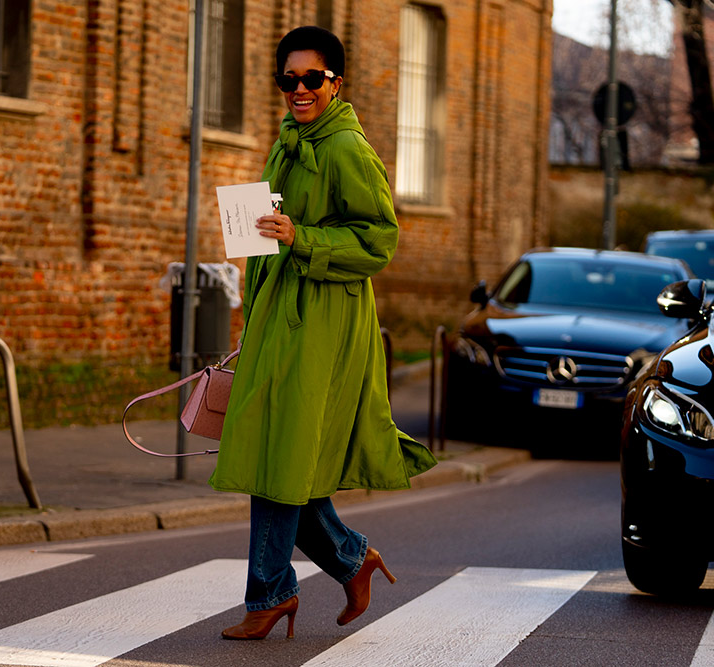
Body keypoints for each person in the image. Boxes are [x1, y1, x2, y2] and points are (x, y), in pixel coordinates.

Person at [208, 26, 438, 640]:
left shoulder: (345, 149)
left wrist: (301, 237)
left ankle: (270, 596)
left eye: (312, 79)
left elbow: (379, 241)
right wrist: (254, 291)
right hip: (279, 315)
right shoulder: (288, 142)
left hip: (325, 323)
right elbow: (267, 237)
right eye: (289, 79)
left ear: (337, 82)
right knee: (277, 453)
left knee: (280, 453)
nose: (299, 90)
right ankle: (347, 559)